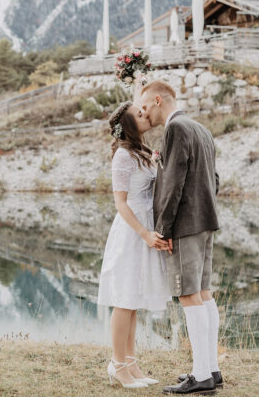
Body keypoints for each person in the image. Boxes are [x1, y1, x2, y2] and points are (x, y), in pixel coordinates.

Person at [137, 80, 222, 396]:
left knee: (188, 296)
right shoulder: (200, 128)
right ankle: (211, 368)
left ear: (158, 99)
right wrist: (206, 211)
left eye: (145, 106)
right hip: (205, 221)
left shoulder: (175, 129)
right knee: (203, 293)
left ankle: (201, 376)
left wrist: (163, 229)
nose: (145, 112)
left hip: (185, 225)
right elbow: (214, 179)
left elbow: (173, 184)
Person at [97, 101, 172, 389]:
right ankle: (118, 365)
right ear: (128, 125)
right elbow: (120, 203)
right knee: (124, 301)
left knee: (133, 301)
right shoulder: (123, 156)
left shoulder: (141, 152)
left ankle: (131, 362)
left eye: (144, 111)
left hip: (145, 227)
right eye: (139, 115)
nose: (146, 115)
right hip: (132, 231)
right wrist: (144, 233)